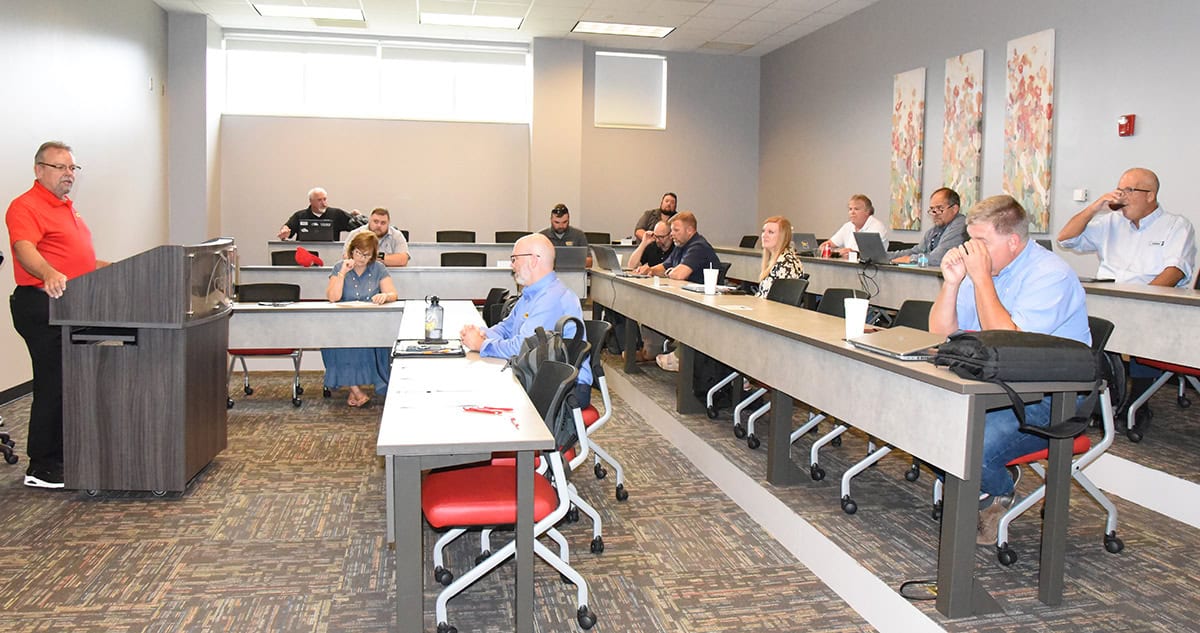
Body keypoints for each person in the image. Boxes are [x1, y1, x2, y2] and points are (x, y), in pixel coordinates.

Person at [929, 195, 1090, 545]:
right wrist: (953, 282)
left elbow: (1011, 346)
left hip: (1055, 397)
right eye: (970, 241)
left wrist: (981, 277)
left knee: (967, 441)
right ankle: (995, 483)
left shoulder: (1051, 275)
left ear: (1013, 242)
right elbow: (939, 335)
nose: (972, 250)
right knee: (925, 424)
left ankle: (995, 491)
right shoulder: (982, 271)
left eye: (982, 242)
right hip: (998, 388)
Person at [7, 141, 110, 489]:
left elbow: (78, 261)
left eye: (72, 168)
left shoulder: (68, 208)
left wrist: (115, 268)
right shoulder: (26, 206)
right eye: (60, 167)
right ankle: (43, 465)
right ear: (39, 170)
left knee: (73, 382)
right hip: (41, 303)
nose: (69, 175)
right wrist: (47, 272)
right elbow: (24, 250)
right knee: (54, 382)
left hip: (72, 303)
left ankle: (67, 453)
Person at [460, 233, 593, 407]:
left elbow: (521, 348)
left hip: (567, 387)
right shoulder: (532, 294)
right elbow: (506, 328)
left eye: (514, 259)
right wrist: (480, 333)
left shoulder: (551, 299)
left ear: (533, 260)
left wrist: (481, 345)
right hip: (543, 375)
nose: (511, 264)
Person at [1057, 167, 1195, 288]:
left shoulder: (1176, 225)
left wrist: (1140, 301)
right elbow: (1066, 239)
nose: (1122, 197)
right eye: (1119, 191)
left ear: (1150, 196)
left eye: (1129, 190)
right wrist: (1094, 208)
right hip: (1106, 296)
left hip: (1149, 303)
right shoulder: (1111, 221)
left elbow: (1175, 271)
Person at [322, 232, 398, 407]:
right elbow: (333, 297)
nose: (361, 258)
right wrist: (342, 272)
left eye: (366, 255)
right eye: (358, 253)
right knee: (340, 341)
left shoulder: (378, 269)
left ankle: (353, 391)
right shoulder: (339, 267)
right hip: (343, 323)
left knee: (368, 339)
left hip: (370, 322)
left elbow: (393, 293)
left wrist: (384, 296)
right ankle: (356, 390)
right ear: (351, 250)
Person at [617, 220, 675, 362]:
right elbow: (631, 265)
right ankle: (647, 349)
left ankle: (652, 350)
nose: (659, 240)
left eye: (662, 237)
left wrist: (651, 270)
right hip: (653, 290)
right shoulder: (653, 245)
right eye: (656, 236)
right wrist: (644, 243)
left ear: (670, 235)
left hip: (670, 293)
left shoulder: (676, 249)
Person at [634, 211, 720, 283]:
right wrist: (650, 270)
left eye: (676, 230)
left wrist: (669, 272)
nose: (671, 234)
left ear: (689, 230)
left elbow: (679, 275)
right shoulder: (680, 245)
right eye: (671, 230)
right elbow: (664, 267)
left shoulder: (698, 246)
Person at [891, 188, 968, 266]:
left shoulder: (961, 225)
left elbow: (938, 258)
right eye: (932, 209)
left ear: (954, 209)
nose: (935, 214)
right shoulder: (934, 230)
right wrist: (886, 256)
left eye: (939, 209)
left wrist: (910, 259)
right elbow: (916, 251)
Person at [277, 187, 359, 241]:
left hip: (331, 253)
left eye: (325, 199)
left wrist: (358, 218)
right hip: (306, 257)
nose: (324, 204)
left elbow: (358, 226)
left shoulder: (336, 214)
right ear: (311, 201)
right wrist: (284, 231)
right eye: (319, 200)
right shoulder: (300, 216)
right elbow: (287, 229)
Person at [820, 194, 889, 257]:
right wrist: (827, 248)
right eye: (850, 209)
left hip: (871, 269)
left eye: (856, 209)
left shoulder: (877, 227)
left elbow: (870, 256)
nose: (852, 212)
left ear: (867, 211)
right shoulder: (848, 226)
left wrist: (853, 253)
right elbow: (827, 245)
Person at [756, 216, 805, 298]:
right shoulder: (774, 259)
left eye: (771, 232)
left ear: (782, 236)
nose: (764, 235)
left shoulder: (787, 264)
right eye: (763, 231)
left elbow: (779, 301)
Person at [343, 207, 410, 266]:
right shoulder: (356, 234)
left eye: (383, 223)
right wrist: (386, 259)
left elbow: (403, 260)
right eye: (375, 221)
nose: (379, 225)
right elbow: (347, 257)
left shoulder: (396, 236)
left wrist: (374, 256)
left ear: (388, 223)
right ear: (369, 221)